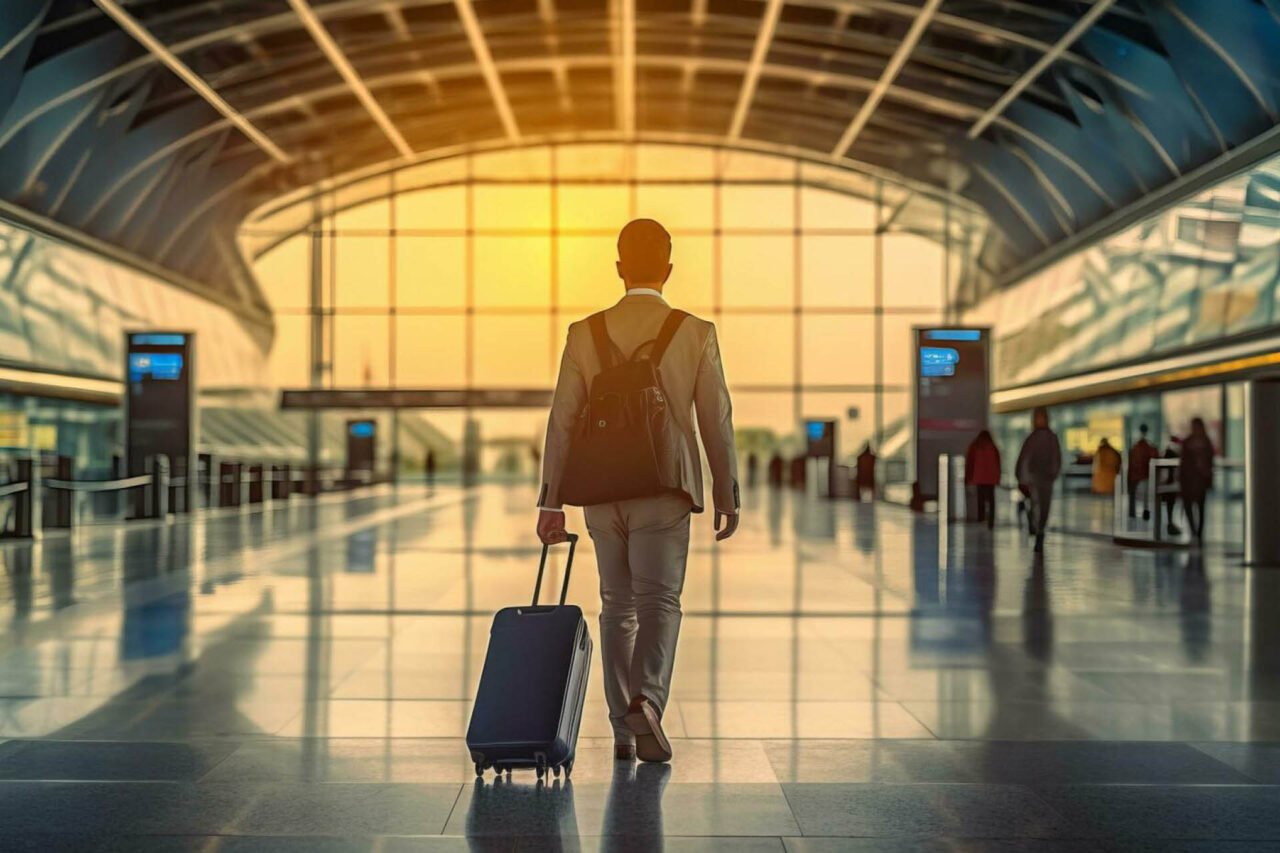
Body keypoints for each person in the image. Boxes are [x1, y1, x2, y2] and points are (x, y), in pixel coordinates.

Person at [536, 219, 739, 764]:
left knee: (615, 605)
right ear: (668, 270)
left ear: (620, 267)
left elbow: (562, 418)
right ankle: (646, 699)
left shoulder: (585, 333)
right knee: (659, 602)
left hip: (601, 491)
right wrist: (726, 490)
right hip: (665, 488)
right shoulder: (695, 332)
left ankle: (622, 731)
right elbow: (715, 417)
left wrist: (551, 500)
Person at [1016, 406, 1062, 553]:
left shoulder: (1051, 437)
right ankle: (1038, 531)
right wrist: (1022, 476)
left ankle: (1040, 529)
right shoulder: (1032, 438)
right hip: (1034, 477)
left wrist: (1053, 472)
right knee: (1037, 504)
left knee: (1045, 506)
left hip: (1046, 477)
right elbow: (1024, 459)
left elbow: (1056, 457)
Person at [1179, 417, 1215, 543]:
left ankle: (1198, 532)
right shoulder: (1191, 442)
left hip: (1199, 481)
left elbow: (1210, 461)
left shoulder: (1204, 442)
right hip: (1189, 480)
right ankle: (1194, 531)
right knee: (1190, 506)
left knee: (1200, 506)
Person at [965, 430, 1001, 530]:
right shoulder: (993, 447)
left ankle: (981, 518)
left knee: (980, 500)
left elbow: (970, 463)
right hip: (991, 479)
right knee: (991, 500)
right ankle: (991, 521)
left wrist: (968, 478)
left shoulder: (975, 447)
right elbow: (998, 463)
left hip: (979, 478)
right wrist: (998, 477)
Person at [1127, 424, 1159, 519]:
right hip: (1145, 473)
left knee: (1134, 494)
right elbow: (1154, 457)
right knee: (1145, 495)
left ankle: (1132, 512)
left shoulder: (1135, 447)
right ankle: (1145, 512)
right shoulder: (1150, 446)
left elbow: (1132, 460)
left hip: (1135, 474)